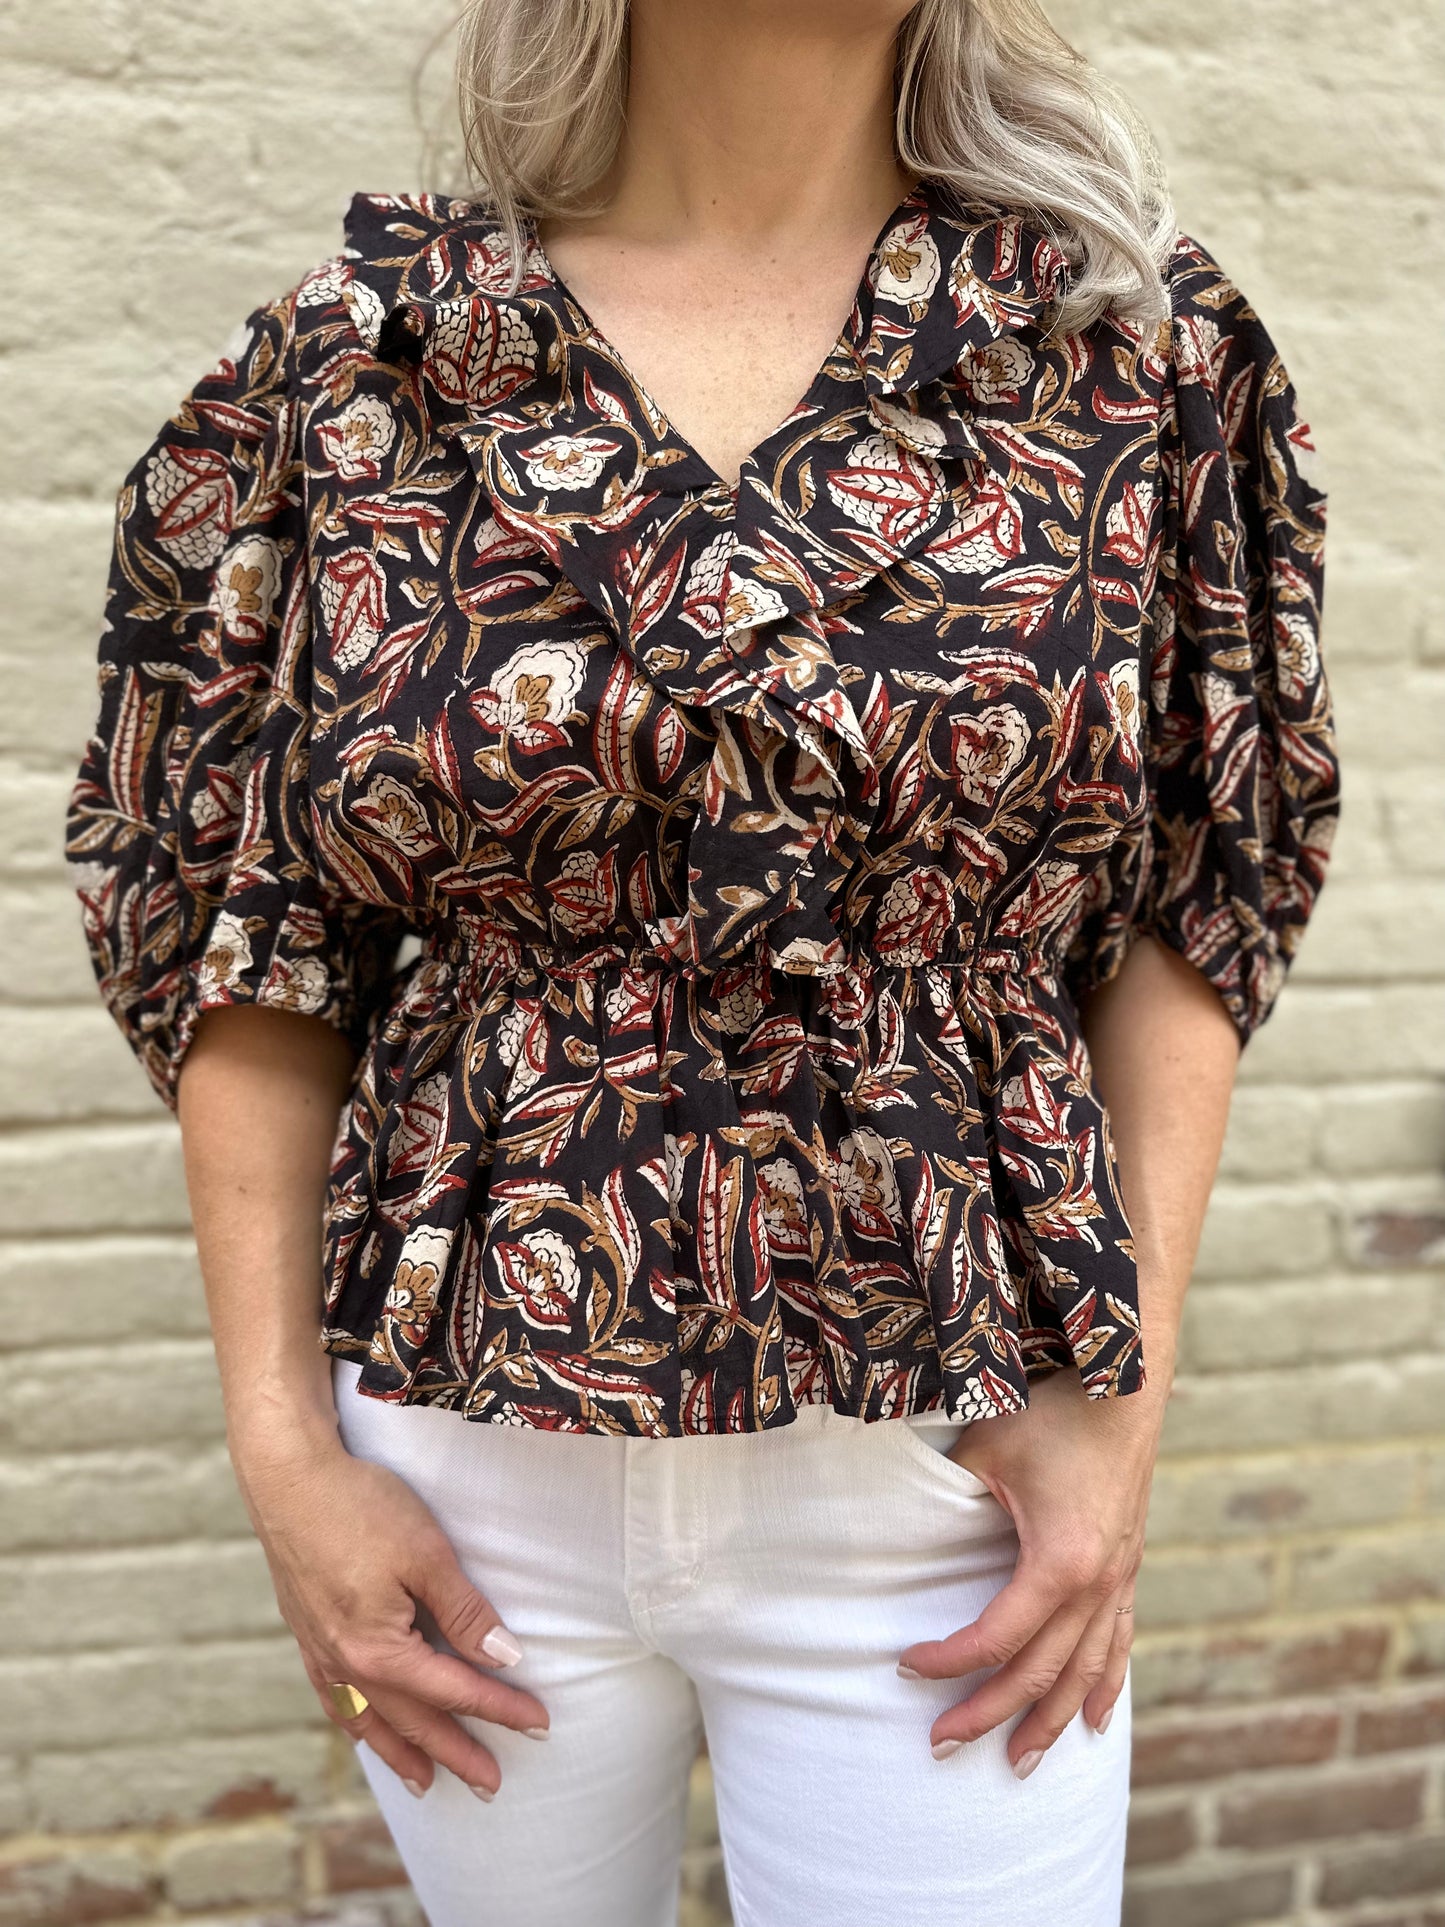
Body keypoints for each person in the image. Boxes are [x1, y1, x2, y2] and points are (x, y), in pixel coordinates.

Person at [64, 1, 1339, 1921]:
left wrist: (1123, 1407)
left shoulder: (1126, 351)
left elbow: (1198, 889)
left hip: (951, 1452)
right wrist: (283, 1449)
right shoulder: (360, 365)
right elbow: (255, 934)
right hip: (463, 1463)